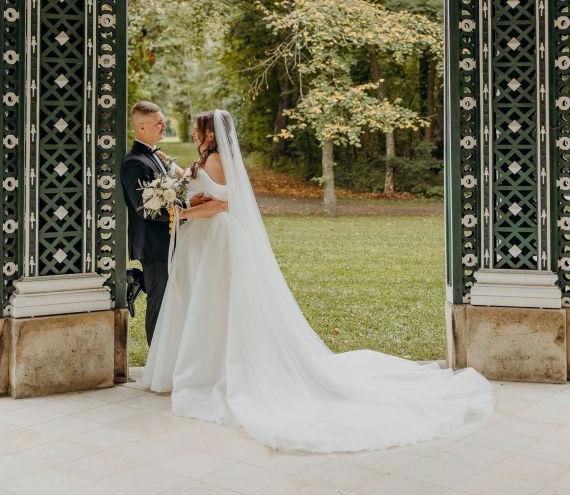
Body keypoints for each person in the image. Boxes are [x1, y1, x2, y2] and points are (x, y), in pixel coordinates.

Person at [143, 109, 493, 453]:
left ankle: (215, 368)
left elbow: (224, 204)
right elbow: (211, 193)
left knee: (216, 303)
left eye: (196, 129)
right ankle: (208, 363)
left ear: (209, 132)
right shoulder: (209, 158)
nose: (192, 133)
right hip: (207, 239)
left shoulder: (217, 158)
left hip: (216, 239)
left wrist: (185, 212)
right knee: (210, 303)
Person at [120, 101, 172, 345]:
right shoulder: (134, 162)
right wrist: (182, 211)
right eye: (158, 123)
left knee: (169, 303)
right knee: (159, 304)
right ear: (141, 126)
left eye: (163, 121)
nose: (163, 126)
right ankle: (156, 362)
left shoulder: (154, 155)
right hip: (153, 246)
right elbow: (144, 208)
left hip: (167, 242)